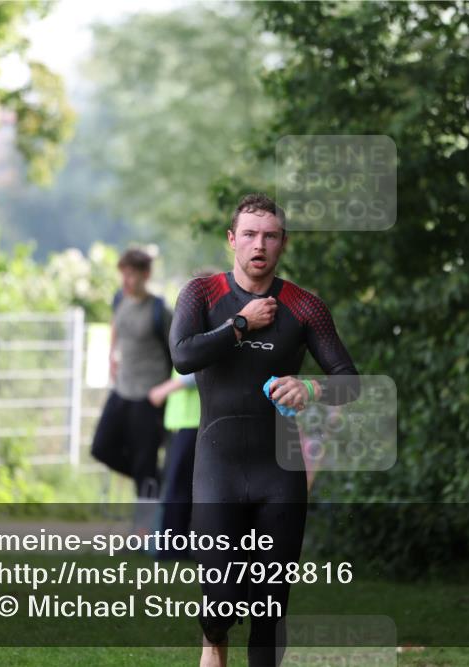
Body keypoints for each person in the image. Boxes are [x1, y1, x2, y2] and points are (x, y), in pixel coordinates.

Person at [170, 194, 360, 667]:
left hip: (279, 473)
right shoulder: (203, 294)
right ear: (232, 240)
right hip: (218, 467)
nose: (260, 245)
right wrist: (241, 323)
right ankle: (213, 641)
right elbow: (183, 356)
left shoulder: (304, 307)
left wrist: (310, 389)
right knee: (216, 608)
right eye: (250, 235)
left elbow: (349, 382)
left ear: (283, 244)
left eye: (270, 236)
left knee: (269, 608)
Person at [91, 247, 173, 498]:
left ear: (146, 275)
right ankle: (160, 483)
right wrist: (111, 353)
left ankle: (147, 533)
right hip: (121, 389)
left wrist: (167, 390)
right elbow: (117, 323)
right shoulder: (120, 299)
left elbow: (179, 354)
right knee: (101, 448)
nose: (125, 280)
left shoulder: (160, 311)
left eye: (131, 275)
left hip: (149, 397)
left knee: (144, 465)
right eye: (123, 274)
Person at [148, 269, 217, 560]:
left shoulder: (211, 327)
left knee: (179, 486)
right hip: (182, 421)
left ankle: (171, 550)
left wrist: (165, 388)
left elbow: (195, 367)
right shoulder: (196, 323)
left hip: (194, 421)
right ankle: (177, 546)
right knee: (178, 485)